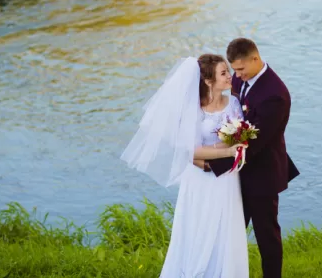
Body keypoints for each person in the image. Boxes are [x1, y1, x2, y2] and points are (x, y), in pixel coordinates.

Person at [121, 54, 249, 277]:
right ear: (208, 81)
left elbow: (240, 139)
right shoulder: (194, 109)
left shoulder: (234, 103)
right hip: (199, 180)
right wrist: (226, 150)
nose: (230, 76)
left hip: (226, 179)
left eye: (228, 71)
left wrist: (227, 148)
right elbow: (190, 150)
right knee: (198, 226)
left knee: (224, 228)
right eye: (223, 73)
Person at [201, 38, 300, 278]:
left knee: (266, 234)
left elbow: (254, 142)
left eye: (241, 69)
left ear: (255, 59)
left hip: (262, 174)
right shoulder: (240, 78)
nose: (237, 75)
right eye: (233, 70)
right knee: (230, 231)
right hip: (236, 174)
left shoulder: (275, 95)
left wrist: (209, 164)